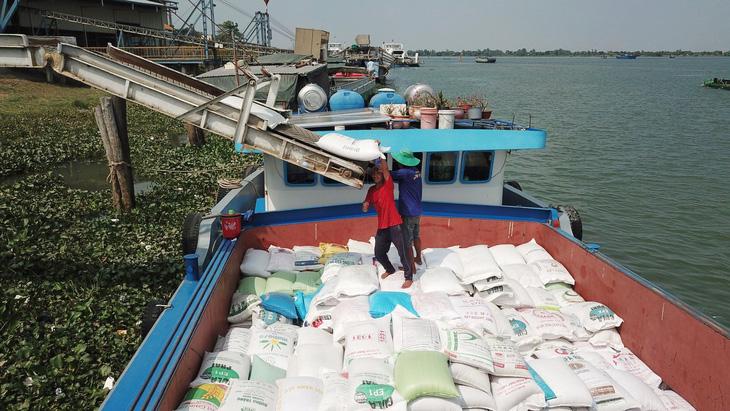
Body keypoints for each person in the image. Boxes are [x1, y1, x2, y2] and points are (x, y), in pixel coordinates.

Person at [362, 158, 414, 288]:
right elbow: (367, 201)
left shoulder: (388, 184)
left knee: (402, 253)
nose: (375, 176)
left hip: (395, 224)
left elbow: (385, 169)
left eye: (378, 173)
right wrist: (366, 205)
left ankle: (409, 277)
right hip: (382, 227)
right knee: (379, 253)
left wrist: (381, 157)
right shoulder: (371, 190)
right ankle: (390, 269)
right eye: (374, 174)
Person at [391, 150, 423, 269]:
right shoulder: (416, 171)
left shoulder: (404, 173)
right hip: (417, 211)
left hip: (408, 212)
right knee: (416, 236)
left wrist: (377, 163)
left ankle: (410, 267)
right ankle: (418, 258)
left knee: (407, 241)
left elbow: (386, 174)